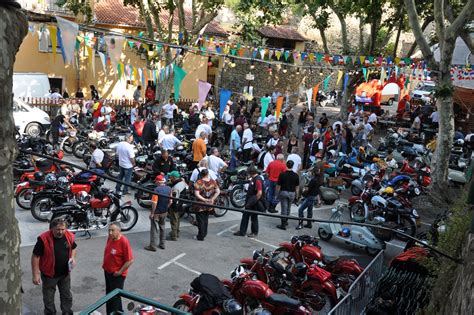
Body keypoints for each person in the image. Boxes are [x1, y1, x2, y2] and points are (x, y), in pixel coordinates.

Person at [32, 218, 77, 315]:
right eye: (58, 229)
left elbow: (73, 247)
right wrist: (36, 274)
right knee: (49, 298)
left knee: (66, 295)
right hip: (49, 275)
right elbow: (36, 256)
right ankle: (50, 313)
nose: (60, 232)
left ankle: (67, 312)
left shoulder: (69, 235)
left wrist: (73, 258)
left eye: (63, 229)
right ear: (52, 228)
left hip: (65, 273)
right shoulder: (43, 239)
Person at [102, 222, 134, 314]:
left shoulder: (124, 242)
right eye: (109, 230)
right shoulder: (110, 238)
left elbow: (130, 260)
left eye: (112, 230)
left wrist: (120, 272)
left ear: (119, 231)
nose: (110, 233)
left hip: (117, 275)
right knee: (108, 296)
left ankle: (117, 313)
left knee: (115, 298)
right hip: (107, 272)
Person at [234, 166, 264, 237]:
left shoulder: (258, 180)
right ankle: (242, 231)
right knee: (245, 216)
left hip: (253, 203)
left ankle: (254, 232)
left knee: (254, 217)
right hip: (250, 202)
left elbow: (259, 193)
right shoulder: (254, 179)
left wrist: (253, 202)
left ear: (251, 173)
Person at [144, 175, 172, 251]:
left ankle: (152, 246)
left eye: (156, 181)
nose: (155, 182)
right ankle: (162, 244)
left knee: (154, 229)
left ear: (158, 181)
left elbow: (154, 203)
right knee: (162, 227)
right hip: (164, 211)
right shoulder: (169, 188)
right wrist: (166, 208)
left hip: (156, 212)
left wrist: (152, 213)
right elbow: (171, 201)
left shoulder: (156, 190)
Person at [193, 169, 220, 241]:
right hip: (209, 204)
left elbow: (197, 194)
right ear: (208, 174)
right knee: (205, 219)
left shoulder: (199, 182)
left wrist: (204, 200)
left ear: (201, 174)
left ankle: (201, 236)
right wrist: (212, 199)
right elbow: (218, 191)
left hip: (200, 205)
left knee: (200, 221)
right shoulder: (213, 181)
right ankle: (204, 233)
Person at [276, 160, 300, 230]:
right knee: (288, 208)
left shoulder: (282, 174)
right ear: (292, 166)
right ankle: (286, 220)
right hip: (292, 193)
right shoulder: (296, 175)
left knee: (284, 208)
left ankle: (283, 224)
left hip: (283, 192)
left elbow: (278, 185)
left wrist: (277, 193)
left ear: (286, 165)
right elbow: (297, 187)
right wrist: (297, 196)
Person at [167, 171, 188, 241]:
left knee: (174, 221)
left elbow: (174, 199)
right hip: (181, 205)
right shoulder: (182, 182)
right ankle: (177, 232)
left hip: (175, 206)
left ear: (174, 177)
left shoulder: (176, 187)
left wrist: (170, 205)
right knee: (178, 219)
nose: (169, 178)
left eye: (170, 176)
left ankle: (173, 236)